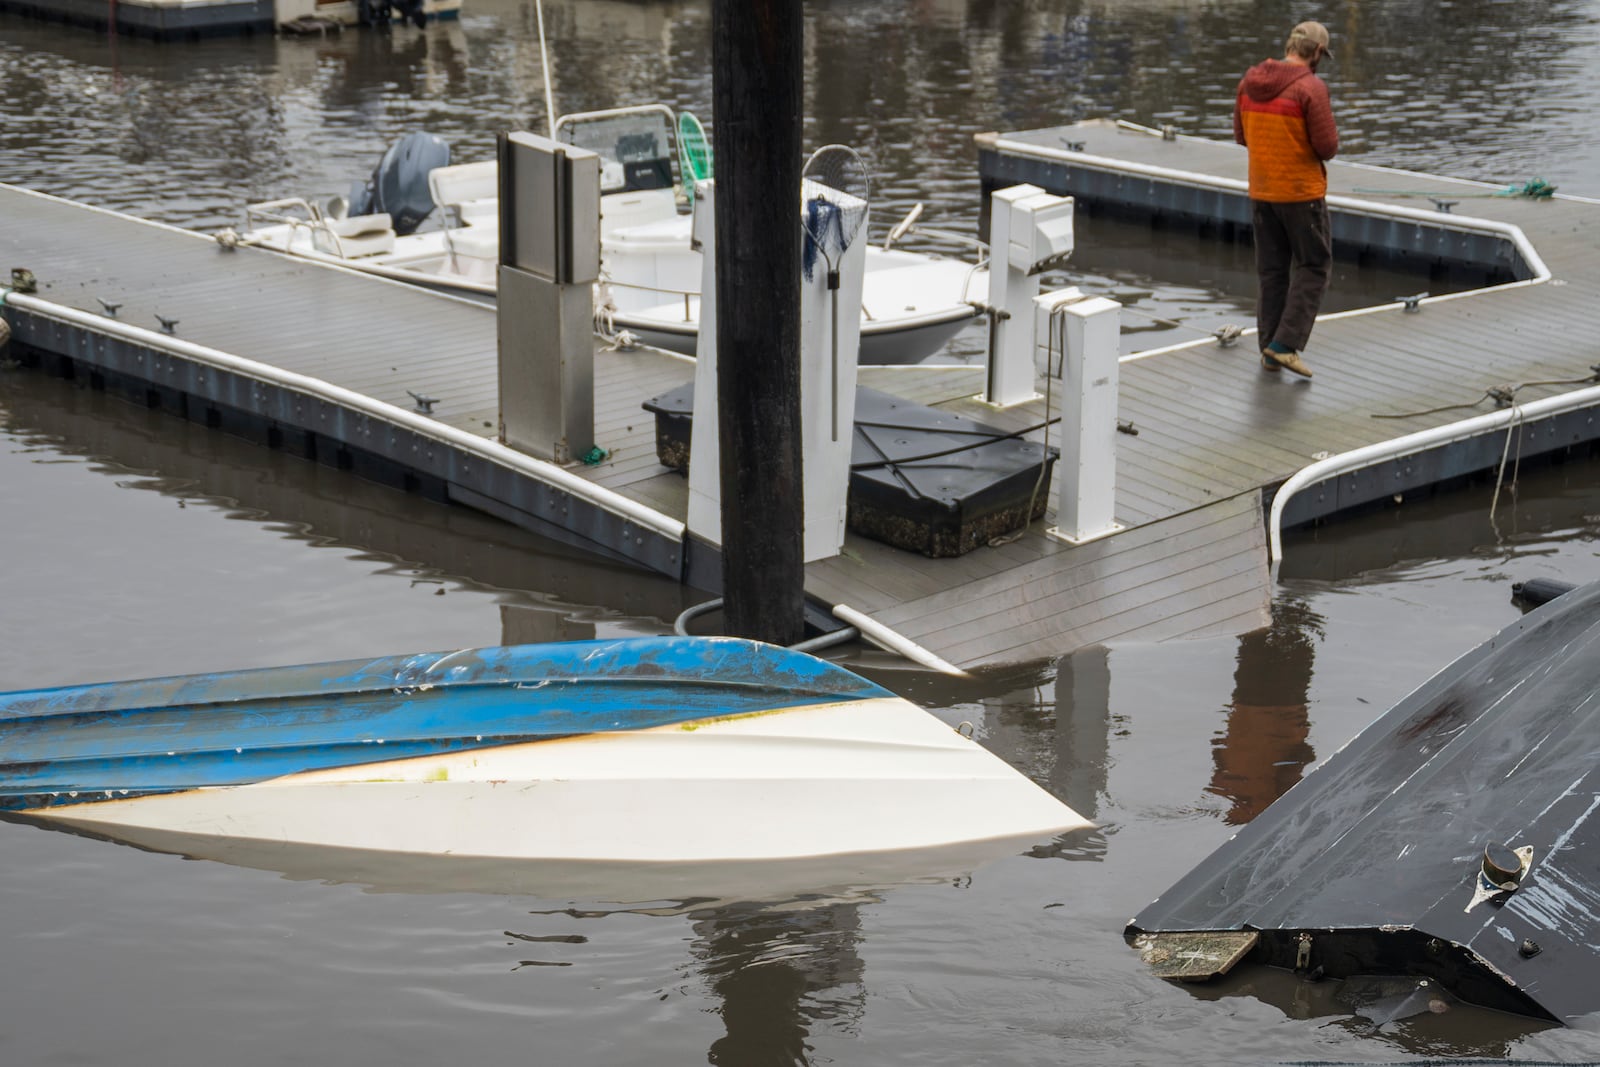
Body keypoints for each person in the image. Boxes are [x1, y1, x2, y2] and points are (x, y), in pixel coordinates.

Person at [1233, 21, 1338, 379]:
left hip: (1262, 192)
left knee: (1272, 272)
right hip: (1300, 195)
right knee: (1314, 265)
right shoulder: (1311, 88)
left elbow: (1241, 136)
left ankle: (1268, 349)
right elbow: (1327, 148)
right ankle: (1284, 346)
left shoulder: (1249, 82)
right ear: (1318, 52)